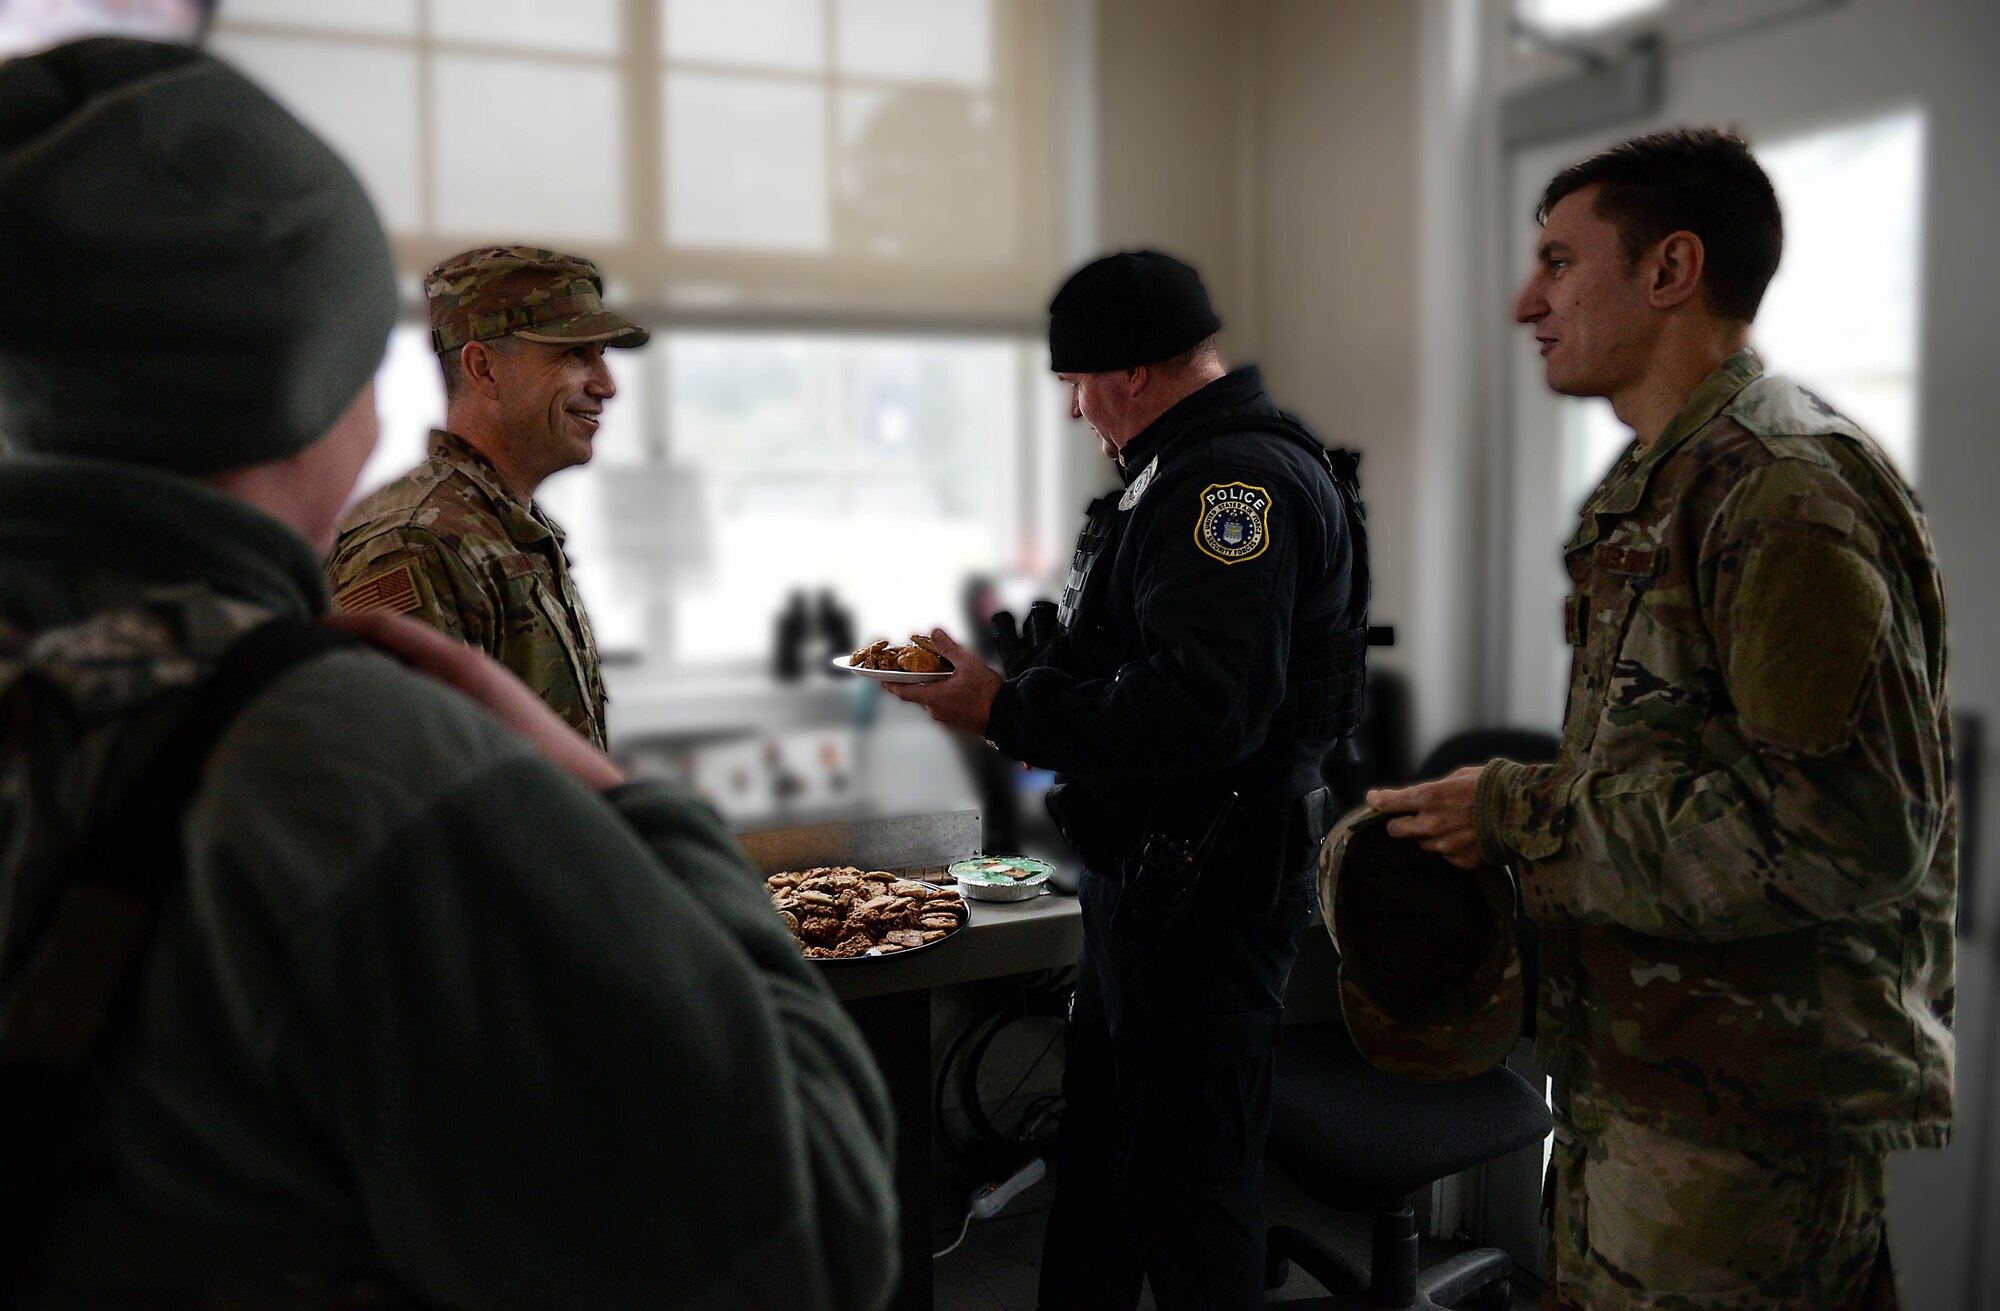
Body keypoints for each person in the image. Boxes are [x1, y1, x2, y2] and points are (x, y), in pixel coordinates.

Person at [0, 38, 897, 1309]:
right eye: (569, 354)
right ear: (328, 376)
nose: (601, 383)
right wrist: (631, 817)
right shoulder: (356, 718)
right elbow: (795, 1238)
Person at [1370, 128, 1953, 1310]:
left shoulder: (1780, 489)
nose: (1523, 301)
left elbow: (1844, 834)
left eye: (1557, 261)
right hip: (1648, 1083)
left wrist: (1512, 812)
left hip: (1742, 1134)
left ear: (1668, 270)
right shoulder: (1669, 481)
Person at [888, 250, 1370, 1310]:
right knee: (1103, 1167)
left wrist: (1002, 710)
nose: (1071, 412)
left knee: (1189, 1193)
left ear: (1130, 375)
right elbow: (1142, 663)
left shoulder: (1227, 487)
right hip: (1150, 885)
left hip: (1206, 889)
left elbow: (1202, 714)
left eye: (1074, 383)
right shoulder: (1172, 473)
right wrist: (1012, 677)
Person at [325, 245, 646, 751]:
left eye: (601, 356)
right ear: (485, 370)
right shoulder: (415, 544)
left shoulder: (507, 527)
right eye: (574, 355)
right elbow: (405, 780)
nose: (607, 386)